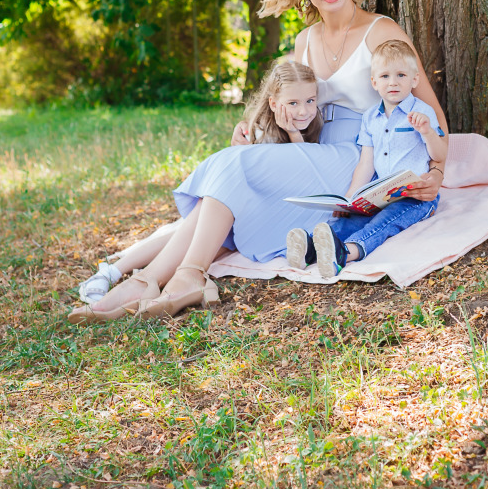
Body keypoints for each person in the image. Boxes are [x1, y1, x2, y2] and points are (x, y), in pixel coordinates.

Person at [69, 0, 448, 321]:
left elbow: (434, 115)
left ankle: (174, 277)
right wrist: (257, 128)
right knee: (232, 187)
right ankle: (152, 280)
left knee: (232, 168)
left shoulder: (381, 32)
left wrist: (435, 173)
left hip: (359, 159)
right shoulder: (304, 41)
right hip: (317, 152)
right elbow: (291, 102)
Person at [69, 60, 322, 323]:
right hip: (245, 209)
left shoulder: (313, 126)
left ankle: (144, 282)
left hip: (262, 214)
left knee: (197, 228)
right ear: (273, 104)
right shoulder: (259, 129)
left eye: (310, 101)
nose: (303, 110)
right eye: (292, 103)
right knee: (201, 223)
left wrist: (293, 132)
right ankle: (138, 280)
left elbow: (302, 164)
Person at [286, 39, 448, 278]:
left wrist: (427, 132)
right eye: (384, 76)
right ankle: (310, 248)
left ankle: (346, 253)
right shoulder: (371, 117)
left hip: (414, 196)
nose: (392, 82)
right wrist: (350, 198)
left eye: (401, 75)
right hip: (381, 193)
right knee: (350, 219)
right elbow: (366, 162)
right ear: (374, 82)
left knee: (383, 223)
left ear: (414, 80)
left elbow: (439, 154)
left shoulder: (422, 113)